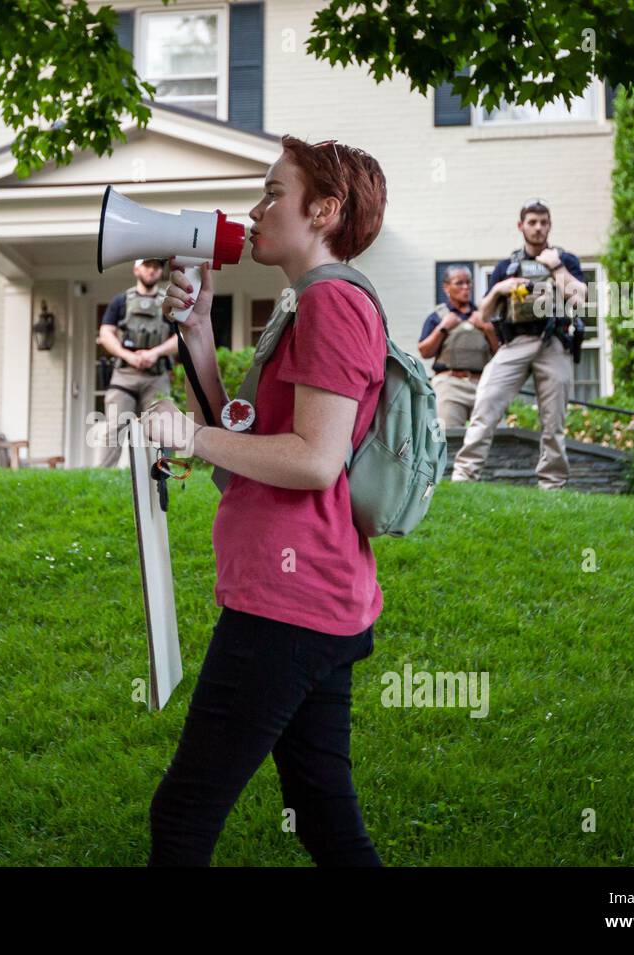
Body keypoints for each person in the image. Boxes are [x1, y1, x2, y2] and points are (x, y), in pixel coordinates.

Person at [142, 135, 388, 866]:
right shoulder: (307, 304)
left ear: (325, 210)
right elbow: (243, 446)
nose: (255, 210)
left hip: (289, 602)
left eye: (273, 193)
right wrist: (197, 337)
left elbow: (313, 460)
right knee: (324, 818)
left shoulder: (333, 305)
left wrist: (187, 437)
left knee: (183, 815)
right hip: (312, 598)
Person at [451, 199, 587, 489]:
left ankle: (553, 485)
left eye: (543, 222)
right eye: (532, 222)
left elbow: (580, 300)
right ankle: (464, 476)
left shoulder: (566, 260)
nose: (538, 228)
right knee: (485, 403)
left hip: (554, 343)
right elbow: (483, 315)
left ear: (550, 225)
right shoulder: (507, 266)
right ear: (521, 226)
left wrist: (557, 267)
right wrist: (499, 288)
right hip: (515, 344)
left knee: (554, 421)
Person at [91, 258, 179, 467]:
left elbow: (180, 338)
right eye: (147, 266)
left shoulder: (168, 303)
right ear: (136, 269)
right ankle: (102, 478)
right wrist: (127, 355)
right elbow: (106, 333)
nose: (152, 271)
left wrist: (156, 353)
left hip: (156, 377)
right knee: (114, 428)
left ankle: (161, 478)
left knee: (161, 429)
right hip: (124, 376)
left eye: (156, 267)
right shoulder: (120, 301)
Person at [417, 266, 497, 428]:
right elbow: (424, 351)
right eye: (459, 283)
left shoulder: (484, 315)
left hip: (482, 384)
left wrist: (488, 329)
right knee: (446, 437)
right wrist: (443, 327)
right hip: (449, 385)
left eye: (468, 283)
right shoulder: (438, 316)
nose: (466, 287)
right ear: (446, 287)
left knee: (490, 436)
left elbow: (500, 353)